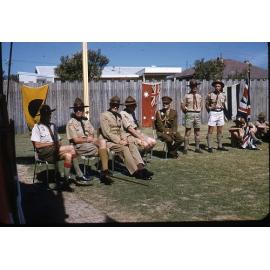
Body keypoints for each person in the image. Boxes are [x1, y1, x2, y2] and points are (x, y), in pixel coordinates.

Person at [31, 104, 89, 192]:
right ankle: (79, 175)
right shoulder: (37, 127)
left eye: (49, 114)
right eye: (46, 114)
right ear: (42, 116)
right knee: (71, 148)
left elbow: (59, 141)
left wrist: (57, 144)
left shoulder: (53, 126)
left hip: (54, 151)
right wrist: (51, 143)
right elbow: (37, 145)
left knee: (69, 155)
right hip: (44, 153)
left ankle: (65, 183)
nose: (49, 116)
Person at [99, 96, 153, 180]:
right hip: (108, 141)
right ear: (110, 105)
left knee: (131, 144)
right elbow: (107, 133)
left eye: (117, 105)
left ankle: (141, 168)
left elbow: (121, 131)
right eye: (113, 105)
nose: (115, 107)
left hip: (119, 139)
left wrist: (124, 139)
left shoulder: (118, 116)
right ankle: (135, 172)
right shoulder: (104, 115)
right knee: (124, 148)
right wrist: (119, 141)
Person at [66, 98, 113, 185]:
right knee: (105, 151)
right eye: (76, 109)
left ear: (83, 110)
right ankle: (103, 173)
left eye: (81, 109)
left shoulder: (85, 120)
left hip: (89, 144)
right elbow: (75, 140)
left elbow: (92, 133)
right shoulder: (71, 122)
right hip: (78, 146)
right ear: (74, 110)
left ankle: (105, 172)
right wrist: (87, 139)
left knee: (103, 142)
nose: (79, 111)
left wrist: (91, 138)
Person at [205, 80, 228, 152]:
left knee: (220, 130)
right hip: (213, 113)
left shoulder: (223, 95)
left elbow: (224, 103)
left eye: (219, 86)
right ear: (214, 87)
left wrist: (222, 107)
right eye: (216, 86)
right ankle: (209, 147)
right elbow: (206, 104)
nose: (217, 87)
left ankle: (220, 146)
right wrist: (210, 109)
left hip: (220, 113)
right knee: (210, 130)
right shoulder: (210, 94)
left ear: (221, 87)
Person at [181, 79, 203, 154]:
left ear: (197, 87)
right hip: (189, 114)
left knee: (197, 132)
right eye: (192, 86)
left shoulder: (199, 96)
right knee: (188, 132)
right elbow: (183, 106)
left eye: (195, 86)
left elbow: (201, 106)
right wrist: (187, 113)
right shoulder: (186, 96)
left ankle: (197, 148)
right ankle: (185, 148)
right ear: (190, 87)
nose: (194, 87)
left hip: (197, 114)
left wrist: (198, 112)